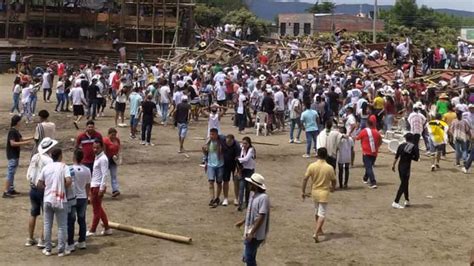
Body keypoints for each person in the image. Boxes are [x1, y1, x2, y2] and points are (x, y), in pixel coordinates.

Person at [37, 148, 72, 256]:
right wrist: (61, 188)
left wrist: (48, 188)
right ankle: (61, 250)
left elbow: (39, 183)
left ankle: (48, 249)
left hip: (48, 198)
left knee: (47, 224)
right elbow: (69, 181)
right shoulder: (64, 167)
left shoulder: (46, 167)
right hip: (61, 199)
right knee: (62, 225)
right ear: (60, 156)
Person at [25, 137, 57, 247]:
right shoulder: (49, 160)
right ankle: (42, 240)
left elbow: (29, 173)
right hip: (43, 189)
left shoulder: (35, 156)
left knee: (33, 213)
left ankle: (30, 238)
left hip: (33, 188)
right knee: (47, 216)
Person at [301, 148, 336, 243]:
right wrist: (333, 188)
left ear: (317, 155)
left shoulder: (312, 166)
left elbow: (305, 179)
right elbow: (333, 180)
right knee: (322, 213)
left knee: (317, 211)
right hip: (324, 192)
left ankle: (319, 230)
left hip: (315, 192)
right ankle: (316, 232)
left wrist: (303, 191)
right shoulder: (329, 167)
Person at [235, 173, 270, 266]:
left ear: (255, 185)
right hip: (250, 230)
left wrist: (252, 233)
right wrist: (242, 222)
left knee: (248, 257)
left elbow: (261, 217)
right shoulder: (253, 195)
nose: (248, 185)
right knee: (249, 256)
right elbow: (250, 212)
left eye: (250, 183)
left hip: (255, 234)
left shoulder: (263, 198)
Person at [87, 139, 112, 236]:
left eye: (97, 148)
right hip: (94, 185)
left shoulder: (103, 159)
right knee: (98, 209)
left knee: (96, 210)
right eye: (94, 147)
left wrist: (101, 188)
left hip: (97, 186)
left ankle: (92, 230)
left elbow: (105, 174)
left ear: (102, 147)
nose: (95, 149)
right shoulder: (97, 157)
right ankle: (107, 228)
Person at [4, 115, 33, 198]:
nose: (21, 122)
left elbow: (21, 139)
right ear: (17, 122)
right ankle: (6, 192)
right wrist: (26, 143)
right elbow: (12, 143)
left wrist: (32, 137)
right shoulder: (12, 131)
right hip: (12, 155)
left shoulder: (16, 130)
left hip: (15, 155)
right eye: (20, 121)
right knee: (10, 173)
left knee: (12, 173)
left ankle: (11, 189)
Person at [67, 149, 91, 251]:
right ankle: (82, 241)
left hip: (72, 198)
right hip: (83, 198)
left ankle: (71, 243)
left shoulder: (69, 169)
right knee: (82, 220)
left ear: (74, 157)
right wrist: (87, 196)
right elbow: (88, 185)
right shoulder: (87, 170)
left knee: (70, 221)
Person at [391, 133, 419, 209]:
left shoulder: (401, 146)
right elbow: (416, 158)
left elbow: (397, 156)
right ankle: (396, 201)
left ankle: (407, 200)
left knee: (405, 183)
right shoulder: (414, 147)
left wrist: (393, 165)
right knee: (403, 184)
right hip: (406, 167)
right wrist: (410, 157)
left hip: (400, 166)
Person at [355, 120, 382, 189]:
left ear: (367, 124)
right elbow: (380, 142)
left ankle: (373, 182)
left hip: (366, 152)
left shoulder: (364, 131)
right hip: (374, 152)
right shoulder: (376, 132)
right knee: (369, 166)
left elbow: (357, 138)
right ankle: (365, 178)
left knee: (368, 167)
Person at [203, 128, 225, 208]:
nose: (211, 136)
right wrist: (205, 161)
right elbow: (205, 153)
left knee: (219, 182)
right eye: (210, 134)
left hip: (220, 164)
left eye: (213, 134)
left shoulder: (221, 142)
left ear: (216, 134)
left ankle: (217, 197)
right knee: (211, 182)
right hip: (210, 165)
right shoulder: (208, 142)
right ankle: (212, 198)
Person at [238, 136, 256, 211]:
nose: (244, 145)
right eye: (243, 143)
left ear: (249, 144)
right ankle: (240, 203)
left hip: (250, 170)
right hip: (243, 170)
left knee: (248, 188)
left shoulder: (251, 150)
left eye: (245, 143)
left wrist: (238, 159)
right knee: (241, 187)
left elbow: (246, 159)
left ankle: (247, 202)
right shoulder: (241, 148)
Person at [222, 134, 241, 206]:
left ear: (233, 140)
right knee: (225, 181)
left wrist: (237, 169)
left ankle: (236, 198)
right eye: (227, 142)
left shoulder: (237, 146)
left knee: (236, 182)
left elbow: (238, 158)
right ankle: (225, 198)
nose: (228, 144)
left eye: (230, 142)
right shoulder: (223, 141)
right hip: (225, 165)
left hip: (234, 165)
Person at [103, 128, 121, 197]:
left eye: (115, 135)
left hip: (114, 159)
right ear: (109, 134)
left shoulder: (117, 140)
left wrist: (117, 156)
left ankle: (115, 190)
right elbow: (104, 151)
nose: (114, 136)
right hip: (107, 159)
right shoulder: (105, 140)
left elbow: (118, 148)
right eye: (112, 135)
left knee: (114, 175)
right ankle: (102, 188)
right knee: (104, 175)